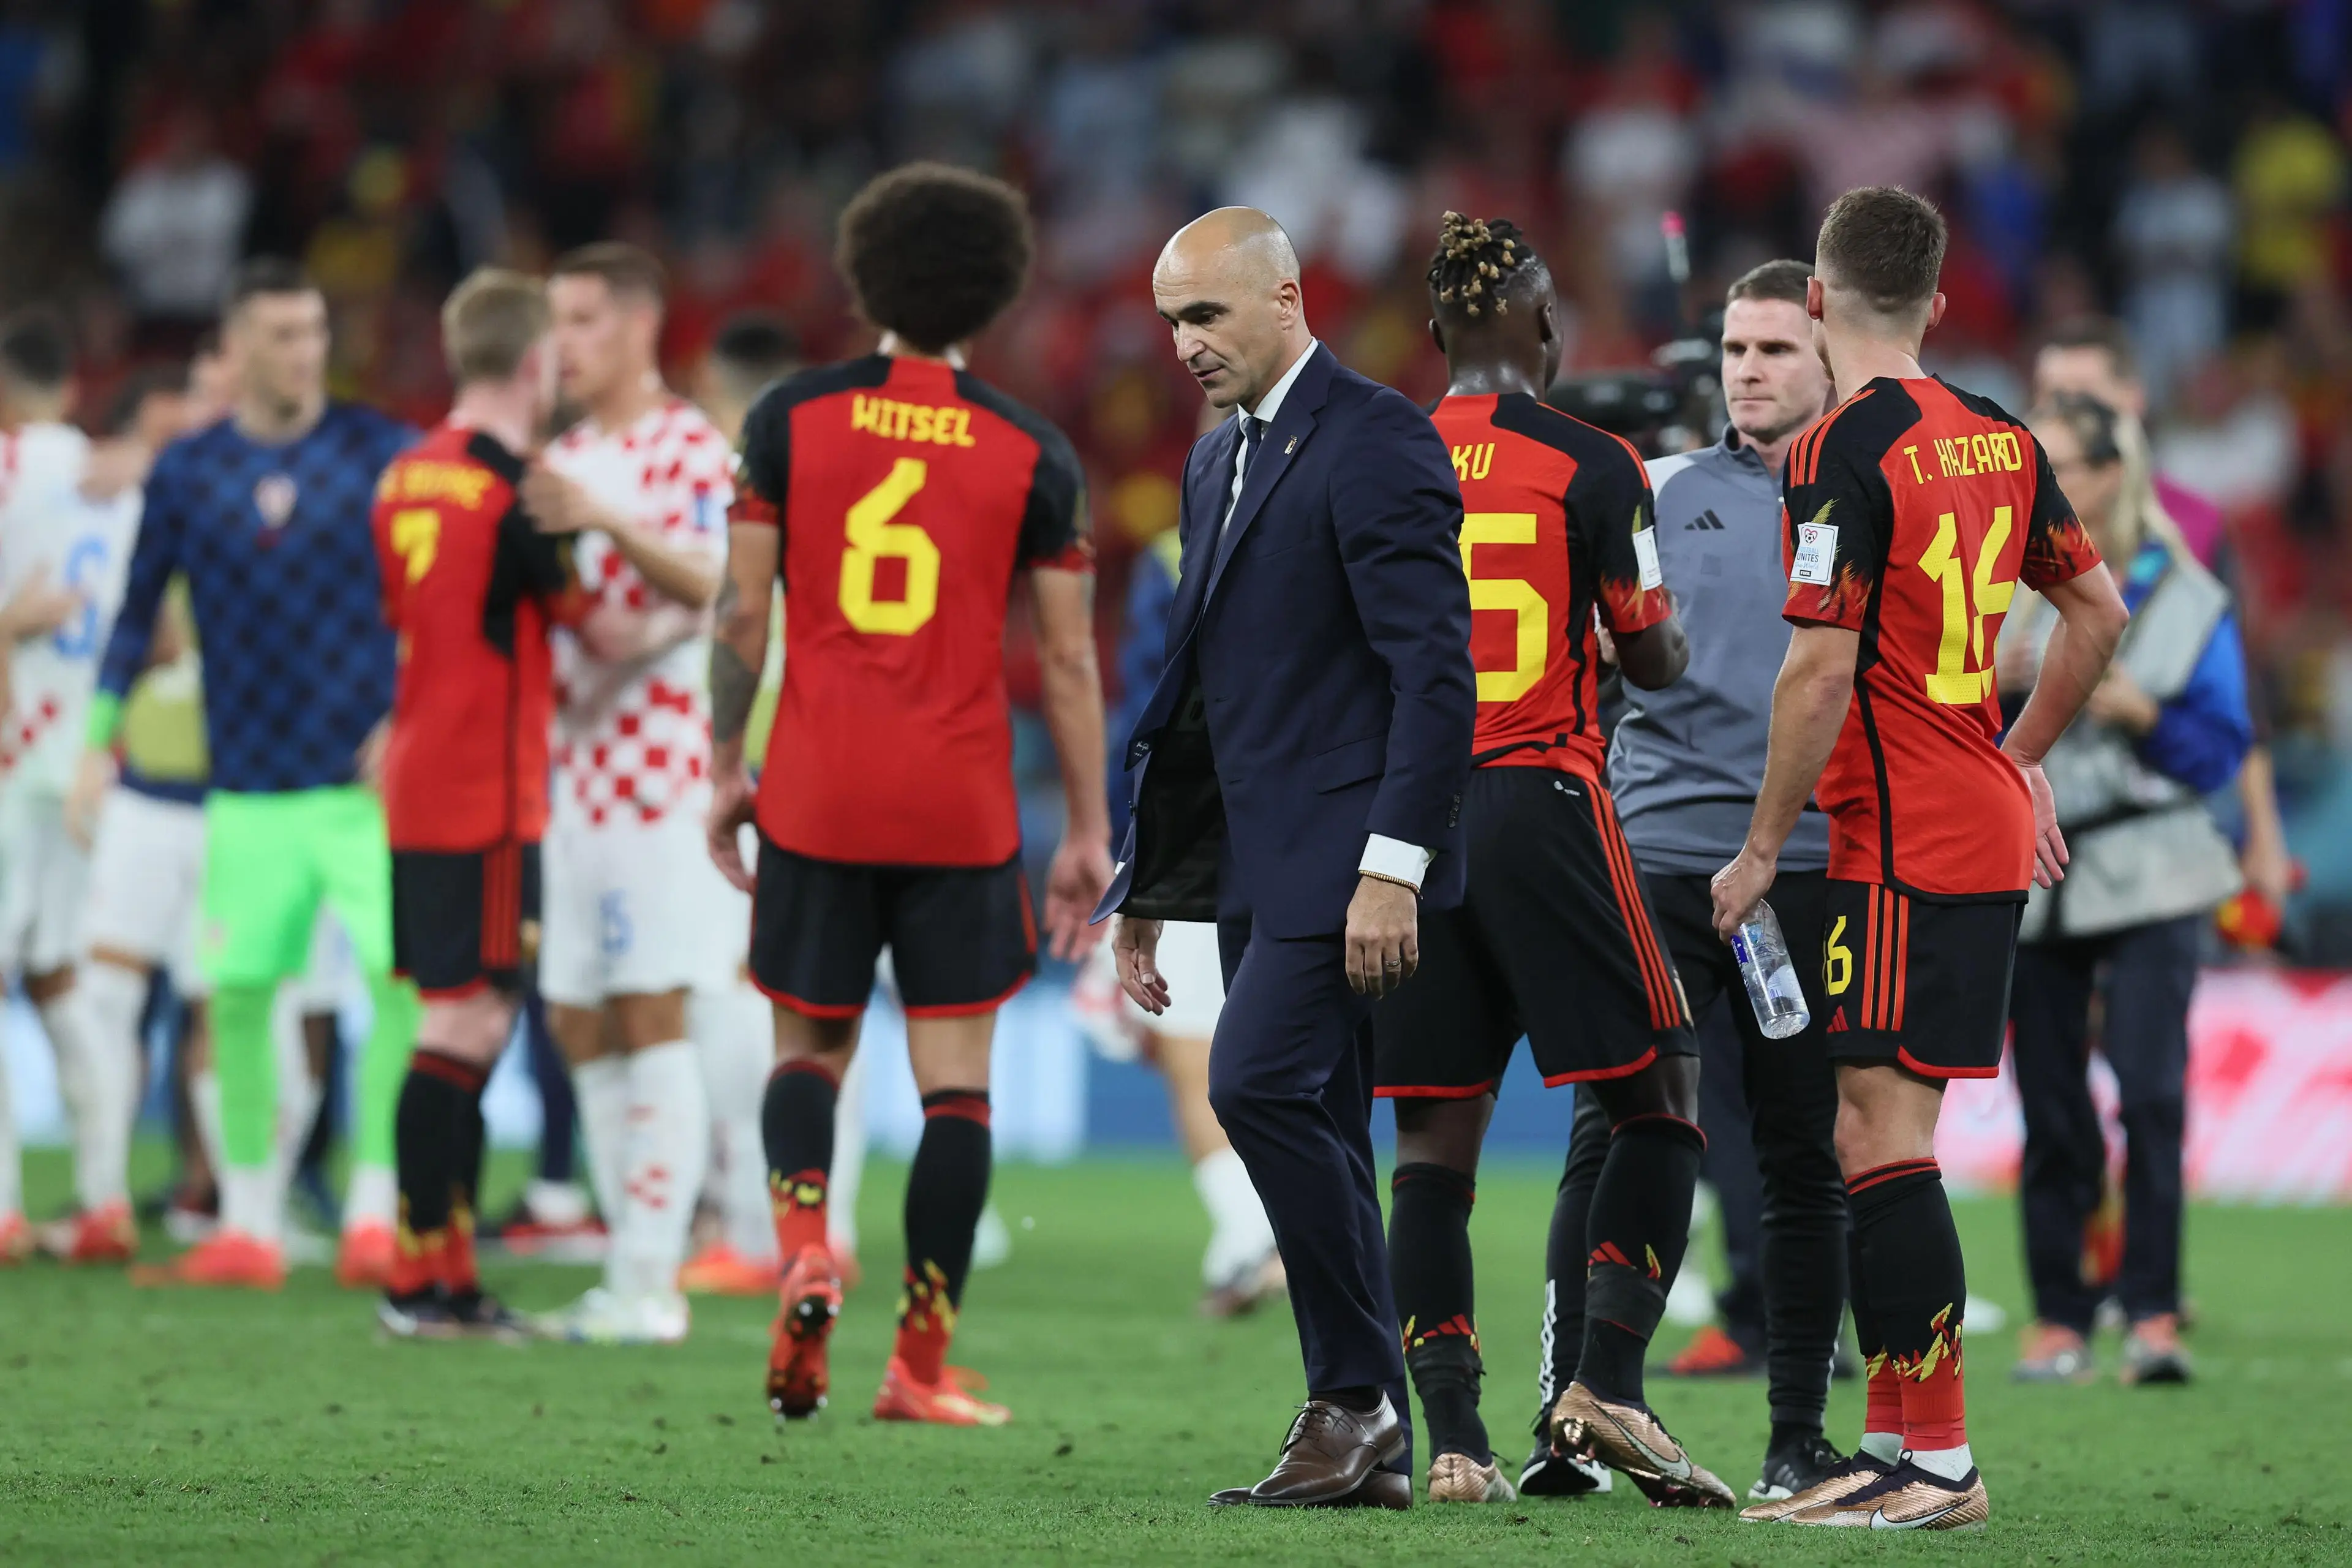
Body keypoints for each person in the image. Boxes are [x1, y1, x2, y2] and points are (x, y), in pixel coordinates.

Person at [1711, 186, 2128, 1531]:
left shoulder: (1838, 447)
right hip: (1967, 820)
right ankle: (1894, 1445)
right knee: (1875, 1131)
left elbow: (1817, 670)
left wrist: (1761, 846)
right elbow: (2097, 609)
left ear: (1816, 300)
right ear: (1939, 304)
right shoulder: (2001, 434)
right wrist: (2019, 754)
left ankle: (1939, 1460)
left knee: (1879, 1137)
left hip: (1900, 836)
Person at [712, 162, 1110, 1426]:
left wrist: (725, 764)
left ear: (864, 277)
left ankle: (803, 1253)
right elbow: (1066, 661)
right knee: (957, 1088)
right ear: (995, 292)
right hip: (959, 803)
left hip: (816, 789)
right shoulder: (1033, 451)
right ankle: (919, 1363)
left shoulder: (787, 417)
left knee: (807, 1048)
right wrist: (1088, 827)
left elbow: (741, 612)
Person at [1106, 206, 1475, 1513]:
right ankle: (1367, 1430)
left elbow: (1436, 677)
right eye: (1172, 324)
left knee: (1253, 1083)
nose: (1186, 345)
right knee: (1316, 1116)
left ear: (1282, 297)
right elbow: (1202, 694)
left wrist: (1393, 865)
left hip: (1349, 855)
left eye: (1206, 315)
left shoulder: (1378, 439)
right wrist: (1154, 875)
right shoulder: (1218, 457)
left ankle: (1358, 1398)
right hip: (1255, 862)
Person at [1363, 213, 1728, 1511]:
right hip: (1542, 799)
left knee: (1432, 1145)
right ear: (1538, 323)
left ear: (1434, 332)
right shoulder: (1594, 460)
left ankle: (1456, 1443)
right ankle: (1607, 1383)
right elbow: (1654, 659)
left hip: (1406, 823)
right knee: (1662, 1091)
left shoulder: (1381, 456)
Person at [88, 258, 420, 1289]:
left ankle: (376, 1215)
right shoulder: (190, 472)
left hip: (363, 789)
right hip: (246, 792)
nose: (304, 352)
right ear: (234, 350)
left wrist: (412, 715)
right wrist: (97, 742)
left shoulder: (381, 451)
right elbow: (136, 613)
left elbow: (440, 593)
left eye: (313, 331)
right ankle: (249, 1225)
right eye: (281, 334)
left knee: (399, 985)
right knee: (234, 999)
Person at [1600, 257, 1851, 1503]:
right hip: (1657, 860)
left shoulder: (1868, 498)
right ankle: (1587, 1406)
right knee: (1624, 1129)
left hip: (1806, 870)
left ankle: (1796, 1436)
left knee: (1804, 1153)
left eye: (1775, 350)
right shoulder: (1652, 490)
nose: (1747, 371)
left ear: (1828, 359)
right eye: (1736, 350)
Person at [2002, 395, 2250, 1387]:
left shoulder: (2183, 594)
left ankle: (2151, 1312)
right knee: (2051, 1104)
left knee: (2150, 1095)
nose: (2043, 483)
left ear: (2110, 476)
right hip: (2038, 863)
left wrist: (2141, 709)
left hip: (2153, 861)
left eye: (2062, 464)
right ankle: (2060, 1316)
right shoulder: (1998, 583)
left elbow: (2220, 750)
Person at [523, 244, 736, 1344]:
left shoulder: (687, 447)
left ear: (640, 324)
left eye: (583, 319)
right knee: (576, 1016)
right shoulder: (561, 454)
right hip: (570, 777)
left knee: (651, 1005)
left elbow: (721, 579)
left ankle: (654, 1282)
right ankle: (627, 1267)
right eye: (555, 321)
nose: (562, 342)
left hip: (660, 778)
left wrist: (604, 522)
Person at [372, 268, 581, 1339]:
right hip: (489, 789)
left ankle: (441, 1272)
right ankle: (419, 1277)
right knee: (470, 1021)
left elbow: (406, 613)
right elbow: (581, 614)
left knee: (459, 1018)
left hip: (419, 772)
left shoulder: (404, 474)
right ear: (536, 362)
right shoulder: (516, 487)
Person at [676, 311, 872, 1298]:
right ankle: (831, 1226)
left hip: (759, 764)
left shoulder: (732, 479)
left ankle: (761, 1232)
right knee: (831, 1003)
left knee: (739, 998)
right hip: (846, 759)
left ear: (721, 390)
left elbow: (733, 614)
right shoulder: (844, 468)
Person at [2031, 319, 2292, 919]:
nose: (2062, 410)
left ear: (2133, 400)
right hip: (2044, 838)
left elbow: (2239, 689)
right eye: (2049, 395)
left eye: (2081, 394)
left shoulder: (2191, 525)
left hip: (2163, 823)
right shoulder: (2006, 520)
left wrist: (2264, 831)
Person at [69, 334, 235, 1248]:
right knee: (106, 996)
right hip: (142, 792)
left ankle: (225, 1202)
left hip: (230, 800)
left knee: (223, 1007)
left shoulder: (245, 508)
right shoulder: (127, 510)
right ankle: (103, 1197)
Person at [1099, 506, 1280, 1319]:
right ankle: (1254, 1234)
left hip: (1201, 826)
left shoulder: (1173, 554)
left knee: (1189, 1049)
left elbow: (1149, 705)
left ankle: (1253, 1233)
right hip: (1311, 820)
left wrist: (1129, 841)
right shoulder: (1335, 518)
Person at [0, 307, 119, 1263]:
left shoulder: (9, 467)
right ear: (71, 387)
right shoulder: (115, 480)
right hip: (84, 761)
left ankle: (3, 1208)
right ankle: (104, 1201)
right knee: (62, 978)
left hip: (9, 753)